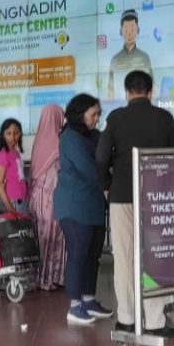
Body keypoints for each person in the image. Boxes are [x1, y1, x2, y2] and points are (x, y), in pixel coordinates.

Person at [97, 71, 174, 337]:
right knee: (154, 259)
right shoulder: (165, 118)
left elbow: (100, 158)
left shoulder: (115, 119)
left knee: (123, 258)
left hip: (122, 197)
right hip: (156, 198)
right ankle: (155, 321)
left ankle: (127, 319)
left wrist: (106, 185)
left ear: (127, 92)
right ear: (151, 91)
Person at [53, 95, 113, 324]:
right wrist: (109, 182)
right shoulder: (69, 137)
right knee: (79, 253)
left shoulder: (95, 136)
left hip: (94, 204)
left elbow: (108, 159)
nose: (97, 118)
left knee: (93, 254)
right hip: (74, 204)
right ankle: (74, 305)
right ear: (80, 114)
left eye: (98, 114)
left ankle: (88, 299)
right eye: (93, 114)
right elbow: (90, 169)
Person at [28, 104, 66, 291]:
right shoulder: (60, 143)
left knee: (40, 236)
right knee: (54, 237)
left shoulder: (38, 141)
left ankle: (38, 276)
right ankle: (51, 277)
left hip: (37, 200)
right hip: (53, 198)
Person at [107, 9, 154, 98]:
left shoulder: (144, 57)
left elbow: (152, 88)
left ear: (138, 30)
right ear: (121, 31)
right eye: (126, 29)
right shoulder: (115, 59)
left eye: (132, 29)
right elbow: (110, 90)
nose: (129, 33)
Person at [0, 119, 28, 214]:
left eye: (16, 133)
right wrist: (9, 207)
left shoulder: (16, 153)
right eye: (8, 133)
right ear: (3, 135)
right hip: (12, 201)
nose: (13, 137)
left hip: (20, 199)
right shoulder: (3, 155)